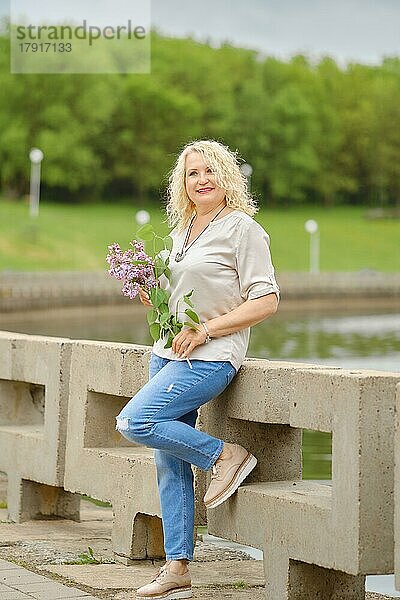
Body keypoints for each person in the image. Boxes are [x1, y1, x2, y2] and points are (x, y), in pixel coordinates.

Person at [116, 139, 280, 600]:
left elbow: (266, 300)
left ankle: (224, 455)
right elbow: (182, 294)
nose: (202, 180)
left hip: (211, 358)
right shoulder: (184, 229)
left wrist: (207, 330)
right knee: (169, 464)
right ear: (182, 184)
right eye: (193, 174)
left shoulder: (243, 229)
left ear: (227, 176)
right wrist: (152, 293)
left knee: (135, 420)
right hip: (167, 353)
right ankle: (178, 568)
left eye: (210, 171)